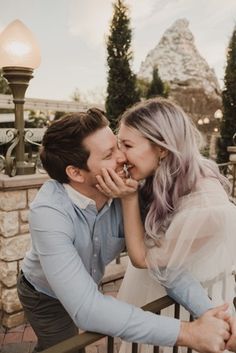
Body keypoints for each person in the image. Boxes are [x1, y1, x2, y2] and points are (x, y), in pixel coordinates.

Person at [17, 108, 231, 353]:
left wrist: (214, 316)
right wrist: (188, 332)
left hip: (87, 282)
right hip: (43, 294)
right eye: (110, 154)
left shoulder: (128, 192)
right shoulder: (48, 212)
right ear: (75, 172)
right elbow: (86, 310)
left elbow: (162, 264)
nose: (122, 157)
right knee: (64, 348)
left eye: (119, 145)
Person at [95, 98, 236, 353]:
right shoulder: (158, 175)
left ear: (162, 148)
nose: (120, 156)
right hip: (158, 297)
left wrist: (128, 197)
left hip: (187, 310)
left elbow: (143, 259)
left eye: (126, 145)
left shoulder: (206, 207)